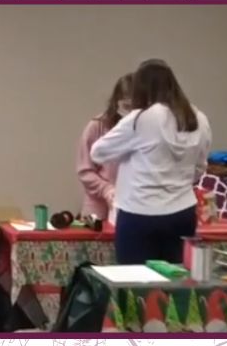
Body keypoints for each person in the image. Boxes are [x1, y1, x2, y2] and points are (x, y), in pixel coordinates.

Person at [90, 59, 211, 264]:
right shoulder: (198, 118)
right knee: (176, 281)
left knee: (135, 285)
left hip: (139, 213)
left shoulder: (141, 118)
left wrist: (127, 152)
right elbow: (200, 168)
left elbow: (98, 152)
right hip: (182, 212)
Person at [76, 74, 133, 221]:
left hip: (132, 203)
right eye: (126, 106)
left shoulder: (143, 129)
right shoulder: (97, 126)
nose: (130, 112)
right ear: (116, 102)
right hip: (97, 203)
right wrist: (106, 189)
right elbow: (85, 171)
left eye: (135, 107)